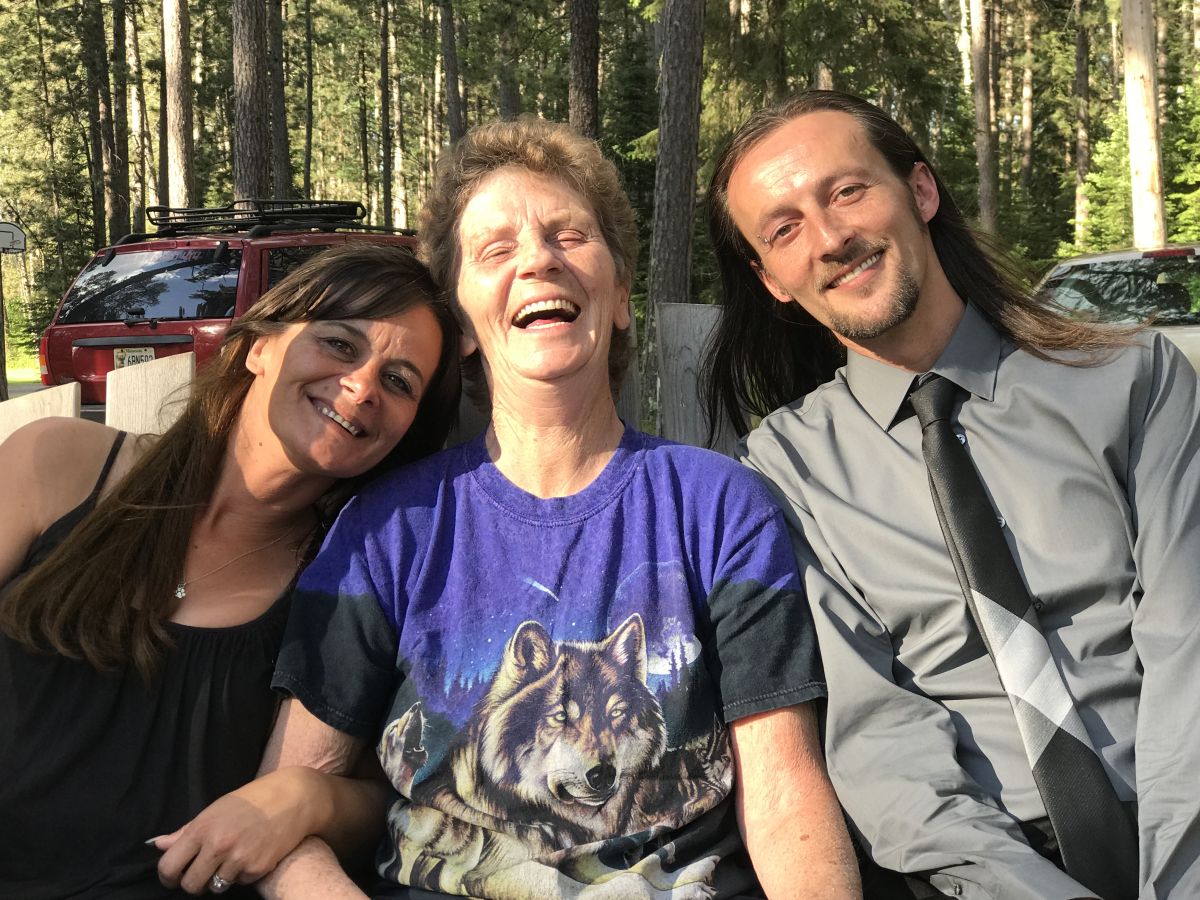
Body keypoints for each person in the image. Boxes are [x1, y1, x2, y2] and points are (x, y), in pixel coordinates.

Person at [168, 116, 862, 900]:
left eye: (569, 236)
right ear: (462, 325)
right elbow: (286, 812)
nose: (538, 259)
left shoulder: (721, 508)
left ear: (620, 296)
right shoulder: (386, 530)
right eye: (496, 249)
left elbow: (785, 798)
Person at [701, 89, 1200, 900]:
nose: (829, 239)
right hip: (983, 870)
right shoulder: (784, 473)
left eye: (847, 191)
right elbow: (880, 741)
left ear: (921, 191)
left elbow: (1189, 646)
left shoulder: (1134, 380)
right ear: (773, 282)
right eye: (784, 229)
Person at [0, 242, 461, 899]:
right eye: (339, 343)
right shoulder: (58, 466)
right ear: (259, 346)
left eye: (398, 382)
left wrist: (305, 796)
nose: (362, 387)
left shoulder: (349, 584)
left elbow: (383, 797)